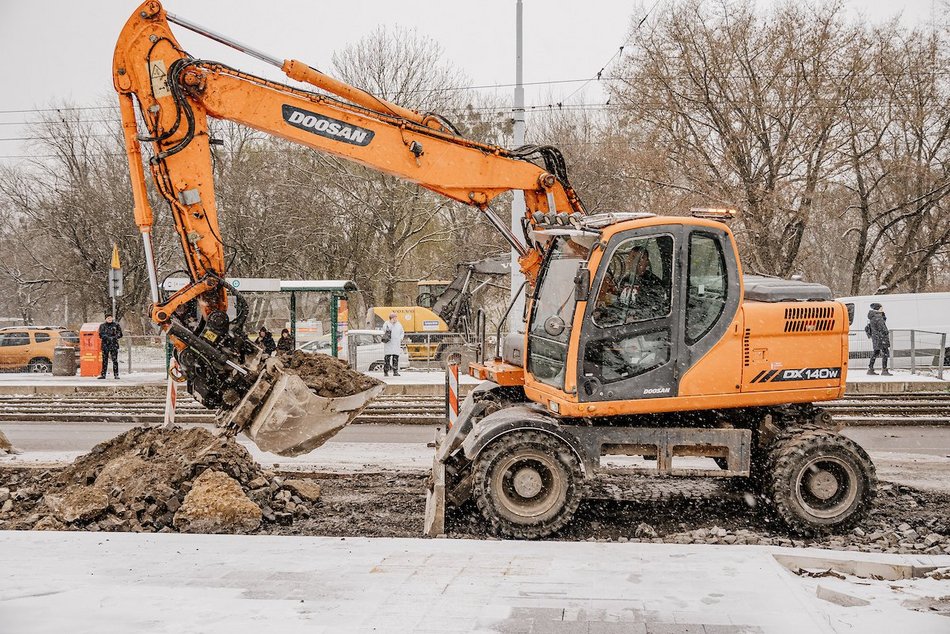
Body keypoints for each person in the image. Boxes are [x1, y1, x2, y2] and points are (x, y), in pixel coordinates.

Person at [867, 302, 891, 376]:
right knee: (885, 353)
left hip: (876, 337)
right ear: (878, 309)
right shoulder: (878, 317)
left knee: (876, 352)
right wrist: (886, 332)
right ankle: (884, 370)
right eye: (881, 308)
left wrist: (883, 315)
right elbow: (883, 328)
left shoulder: (873, 317)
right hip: (881, 338)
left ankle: (870, 369)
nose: (882, 309)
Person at [98, 315, 123, 379]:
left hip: (114, 345)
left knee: (115, 360)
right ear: (105, 319)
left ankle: (116, 374)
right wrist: (107, 337)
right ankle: (103, 374)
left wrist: (114, 337)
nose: (109, 319)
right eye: (108, 318)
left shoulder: (116, 325)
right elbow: (100, 334)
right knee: (104, 360)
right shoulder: (102, 326)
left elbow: (120, 334)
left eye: (111, 318)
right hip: (105, 345)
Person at [382, 311, 405, 376]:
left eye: (396, 317)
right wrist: (391, 324)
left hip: (396, 343)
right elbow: (385, 330)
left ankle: (395, 371)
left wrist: (400, 338)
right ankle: (386, 371)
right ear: (391, 318)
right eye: (394, 317)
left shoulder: (399, 324)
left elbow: (402, 332)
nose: (395, 319)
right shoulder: (387, 323)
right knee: (387, 358)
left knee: (396, 358)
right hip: (389, 343)